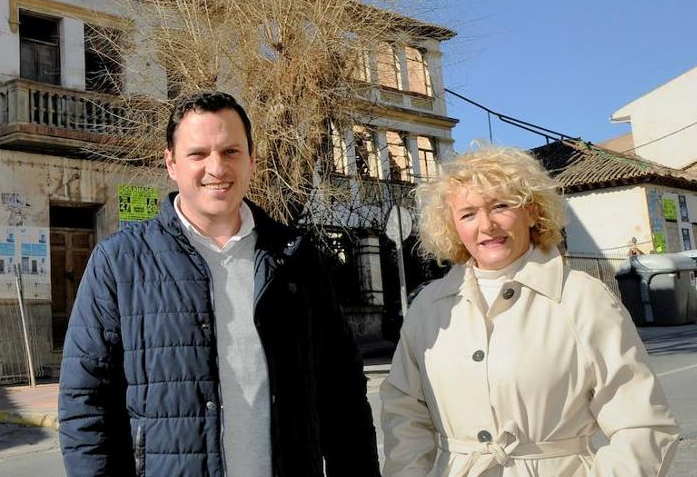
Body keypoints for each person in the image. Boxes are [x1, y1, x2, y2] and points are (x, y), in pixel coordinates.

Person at [59, 91, 380, 477]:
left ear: (252, 158)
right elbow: (85, 403)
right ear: (171, 163)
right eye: (198, 154)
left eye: (230, 152)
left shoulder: (296, 258)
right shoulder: (120, 262)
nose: (217, 168)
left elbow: (341, 389)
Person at [381, 145, 679, 476]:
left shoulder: (582, 298)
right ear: (452, 226)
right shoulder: (429, 306)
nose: (487, 225)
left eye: (501, 206)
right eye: (468, 214)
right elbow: (404, 414)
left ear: (532, 211)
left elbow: (642, 425)